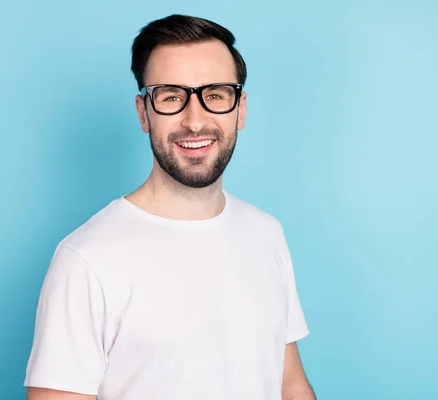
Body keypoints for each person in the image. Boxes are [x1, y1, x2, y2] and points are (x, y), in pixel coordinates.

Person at [24, 14, 315, 400]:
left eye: (215, 94)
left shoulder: (266, 233)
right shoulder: (86, 260)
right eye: (171, 97)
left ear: (240, 109)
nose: (195, 121)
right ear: (144, 112)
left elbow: (289, 383)